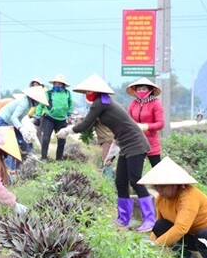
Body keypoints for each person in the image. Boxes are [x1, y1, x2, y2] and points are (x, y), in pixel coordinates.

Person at [56, 73, 155, 232]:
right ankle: (123, 219)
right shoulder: (104, 101)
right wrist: (110, 155)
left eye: (89, 91)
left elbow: (85, 125)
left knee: (135, 180)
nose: (87, 94)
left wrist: (67, 130)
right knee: (120, 181)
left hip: (136, 143)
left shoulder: (100, 102)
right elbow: (119, 129)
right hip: (124, 143)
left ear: (95, 91)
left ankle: (150, 220)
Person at [0, 86, 49, 170]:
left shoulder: (29, 105)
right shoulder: (24, 103)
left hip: (10, 123)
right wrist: (21, 129)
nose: (37, 103)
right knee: (10, 147)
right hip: (2, 122)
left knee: (23, 143)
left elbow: (20, 118)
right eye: (37, 101)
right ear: (33, 98)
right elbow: (14, 118)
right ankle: (9, 171)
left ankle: (20, 167)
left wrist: (24, 130)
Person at [125, 77, 165, 167]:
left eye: (144, 89)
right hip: (136, 142)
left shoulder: (156, 103)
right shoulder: (133, 104)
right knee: (135, 170)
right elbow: (127, 120)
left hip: (152, 143)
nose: (141, 91)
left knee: (157, 169)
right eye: (139, 89)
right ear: (135, 91)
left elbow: (161, 123)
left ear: (150, 90)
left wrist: (146, 126)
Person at [35, 74, 73, 161]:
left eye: (59, 84)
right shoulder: (48, 93)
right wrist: (37, 115)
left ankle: (59, 159)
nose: (57, 85)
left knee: (61, 140)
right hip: (49, 118)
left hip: (62, 119)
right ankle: (44, 157)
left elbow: (70, 105)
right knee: (45, 138)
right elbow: (41, 104)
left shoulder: (68, 94)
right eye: (56, 84)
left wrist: (69, 115)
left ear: (63, 85)